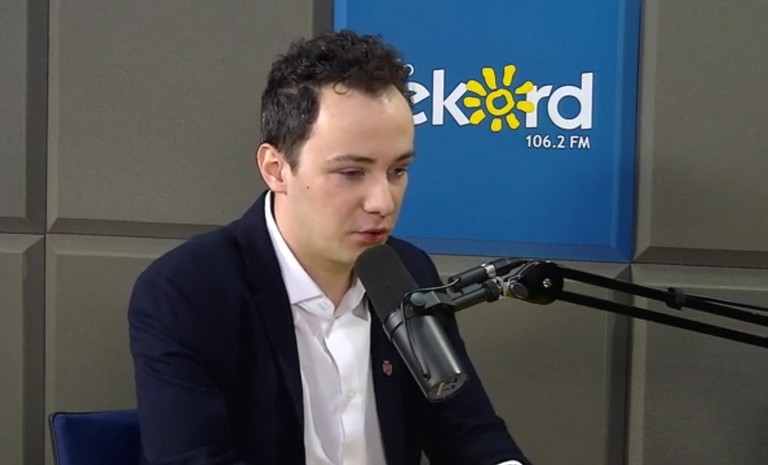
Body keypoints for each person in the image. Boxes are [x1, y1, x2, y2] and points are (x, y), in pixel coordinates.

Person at [128, 30, 532, 465]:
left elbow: (467, 432)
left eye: (397, 171)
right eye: (352, 173)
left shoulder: (406, 272)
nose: (382, 202)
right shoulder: (187, 291)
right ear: (276, 169)